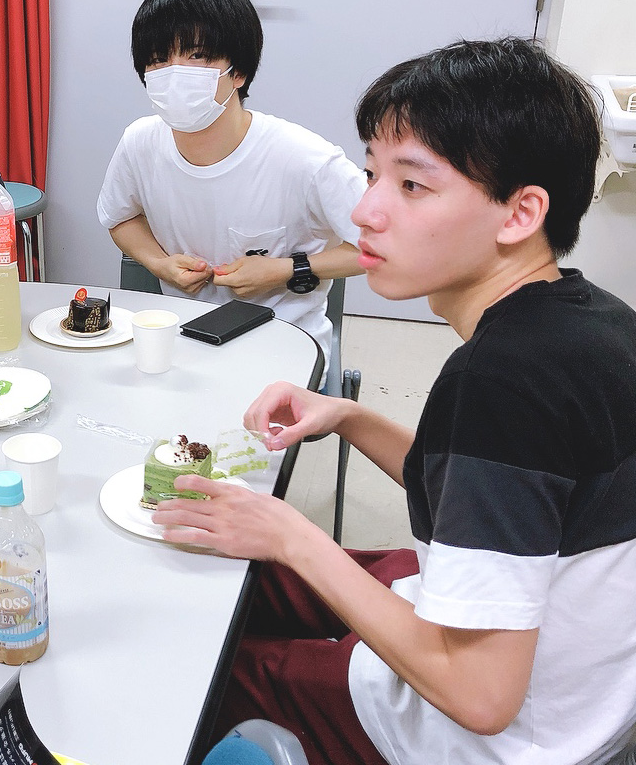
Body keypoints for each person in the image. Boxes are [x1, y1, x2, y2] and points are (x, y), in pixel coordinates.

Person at [154, 38, 636, 764]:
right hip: (579, 690)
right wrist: (350, 419)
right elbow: (499, 494)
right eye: (372, 173)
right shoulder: (591, 321)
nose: (364, 211)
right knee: (253, 578)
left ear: (519, 213)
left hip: (496, 737)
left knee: (208, 664)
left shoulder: (500, 380)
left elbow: (481, 697)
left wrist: (292, 534)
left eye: (411, 185)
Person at [96, 0, 365, 358]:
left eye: (196, 56)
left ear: (238, 71)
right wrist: (159, 263)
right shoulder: (140, 143)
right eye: (158, 60)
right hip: (181, 339)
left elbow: (381, 246)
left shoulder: (305, 159)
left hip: (283, 344)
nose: (175, 73)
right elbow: (120, 218)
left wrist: (286, 270)